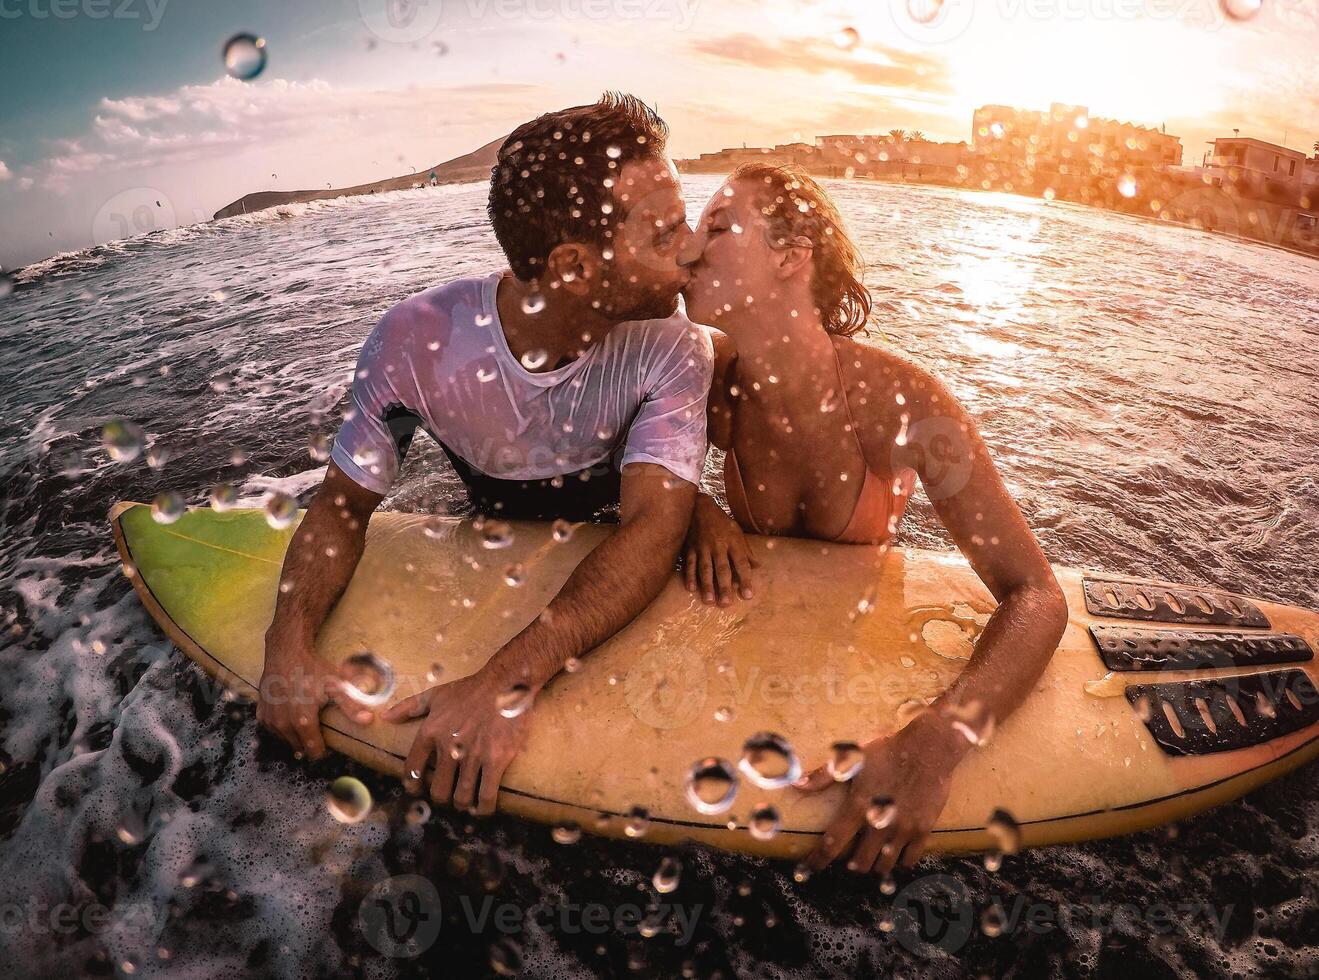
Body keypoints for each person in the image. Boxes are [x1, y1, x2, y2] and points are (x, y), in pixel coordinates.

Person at [256, 93, 713, 818]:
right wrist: (288, 641)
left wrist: (507, 679)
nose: (692, 248)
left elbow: (651, 529)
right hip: (495, 506)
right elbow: (342, 509)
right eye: (663, 234)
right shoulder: (417, 344)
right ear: (570, 267)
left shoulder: (672, 343)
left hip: (610, 517)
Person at [679, 162, 1069, 876]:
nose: (686, 247)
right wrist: (695, 506)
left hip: (861, 636)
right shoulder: (708, 382)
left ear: (791, 257)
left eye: (717, 228)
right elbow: (614, 481)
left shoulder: (906, 407)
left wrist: (934, 745)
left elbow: (1036, 593)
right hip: (761, 646)